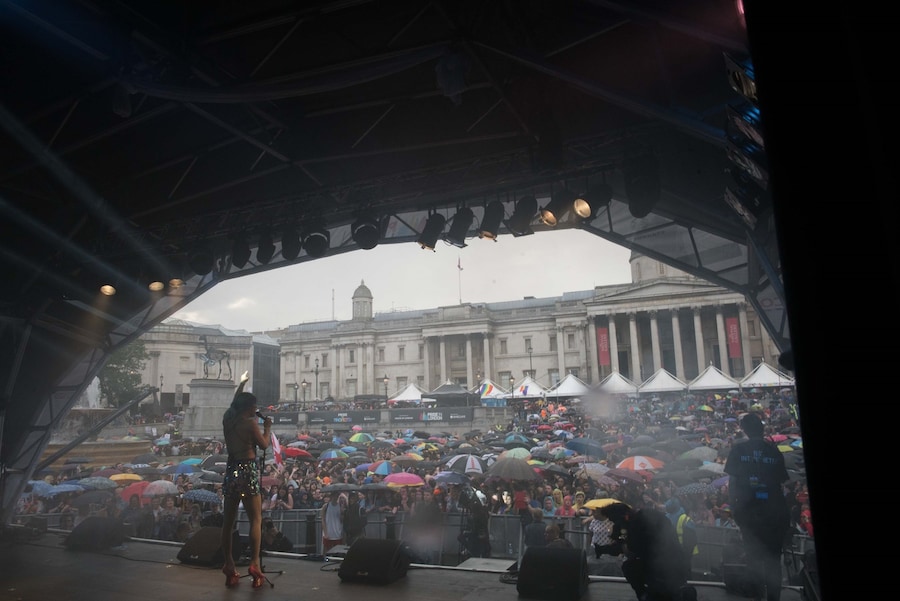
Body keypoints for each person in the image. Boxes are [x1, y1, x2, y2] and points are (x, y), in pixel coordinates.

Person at [724, 412, 791, 601]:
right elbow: (782, 485)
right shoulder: (774, 451)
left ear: (745, 429)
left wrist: (735, 511)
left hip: (750, 516)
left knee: (754, 562)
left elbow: (734, 484)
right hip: (775, 515)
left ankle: (758, 598)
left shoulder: (738, 451)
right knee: (773, 562)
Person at [220, 370, 272, 589]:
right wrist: (267, 428)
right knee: (256, 519)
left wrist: (241, 385)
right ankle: (254, 564)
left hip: (232, 468)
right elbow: (264, 445)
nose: (255, 409)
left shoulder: (228, 418)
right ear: (249, 407)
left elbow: (234, 404)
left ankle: (229, 564)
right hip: (248, 469)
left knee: (228, 522)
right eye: (254, 406)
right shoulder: (251, 423)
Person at [600, 502, 696, 601]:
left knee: (629, 567)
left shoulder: (636, 523)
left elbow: (632, 549)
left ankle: (644, 596)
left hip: (659, 567)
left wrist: (622, 541)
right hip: (674, 563)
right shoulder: (648, 515)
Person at [664, 497, 698, 580]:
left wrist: (686, 553)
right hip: (671, 552)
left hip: (683, 552)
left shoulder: (684, 519)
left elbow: (691, 539)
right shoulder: (666, 517)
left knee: (684, 574)